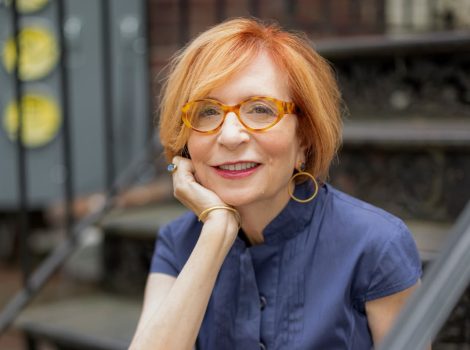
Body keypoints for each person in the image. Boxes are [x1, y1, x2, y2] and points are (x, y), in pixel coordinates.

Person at [130, 17, 422, 350]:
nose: (229, 136)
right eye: (208, 112)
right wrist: (216, 232)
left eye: (259, 109)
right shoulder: (178, 242)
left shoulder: (375, 245)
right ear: (185, 144)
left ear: (305, 139)